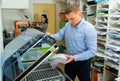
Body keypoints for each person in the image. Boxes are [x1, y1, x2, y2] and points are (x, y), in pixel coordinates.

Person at [46, 5, 97, 81]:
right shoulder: (68, 25)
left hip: (83, 62)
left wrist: (75, 57)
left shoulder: (89, 29)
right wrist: (50, 35)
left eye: (71, 19)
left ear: (79, 14)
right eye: (67, 19)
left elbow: (92, 51)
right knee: (68, 79)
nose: (69, 21)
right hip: (69, 59)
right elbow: (59, 36)